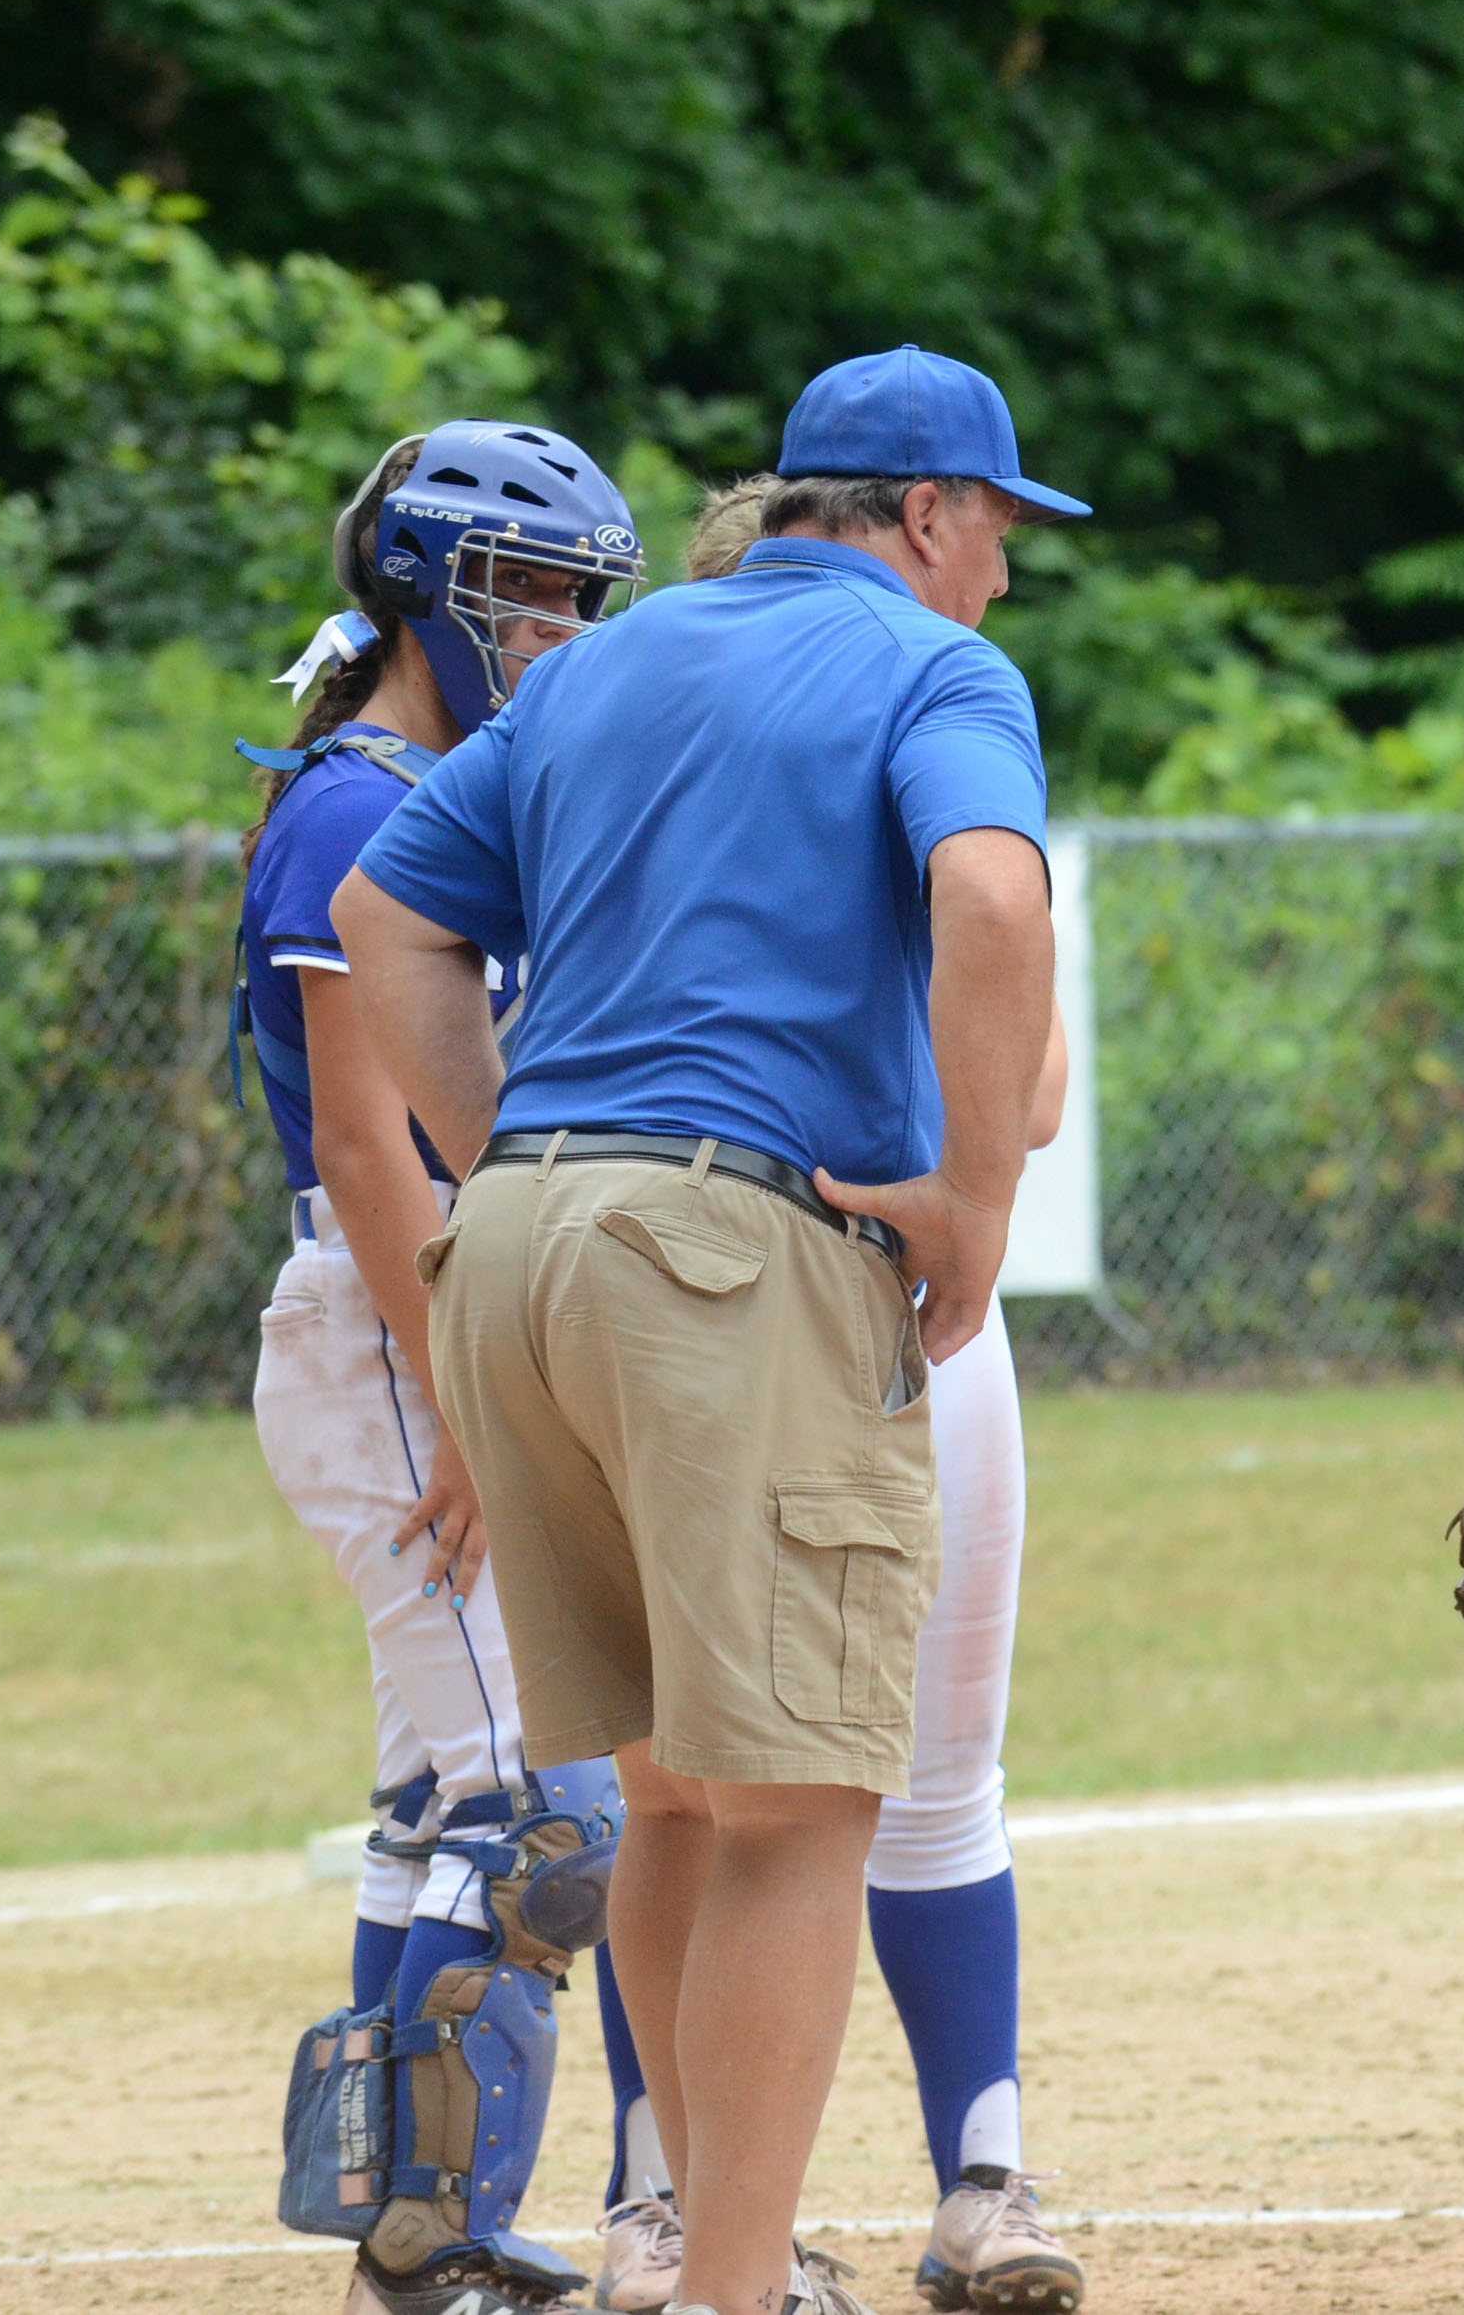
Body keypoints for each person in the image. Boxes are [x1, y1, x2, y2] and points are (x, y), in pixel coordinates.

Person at [331, 344, 1075, 2315]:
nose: (1000, 573)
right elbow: (994, 904)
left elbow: (385, 906)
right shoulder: (936, 667)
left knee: (667, 1788)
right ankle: (736, 2295)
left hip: (522, 1253)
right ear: (921, 514)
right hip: (733, 1256)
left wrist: (527, 1165)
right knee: (811, 1802)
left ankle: (684, 2239)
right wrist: (978, 1207)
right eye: (995, 529)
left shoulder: (605, 664)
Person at [584, 479, 1084, 2315]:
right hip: (712, 1311)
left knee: (931, 1772)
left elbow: (1025, 1094)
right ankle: (681, 2213)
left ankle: (983, 2176)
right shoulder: (634, 804)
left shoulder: (936, 761)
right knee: (700, 1798)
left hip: (907, 1309)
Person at [240, 422, 644, 2315]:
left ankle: (408, 2239)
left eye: (579, 595)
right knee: (546, 1811)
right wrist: (474, 1388)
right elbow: (359, 1140)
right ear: (423, 586)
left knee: (439, 1798)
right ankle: (447, 2235)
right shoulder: (352, 803)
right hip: (397, 1312)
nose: (555, 628)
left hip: (428, 1310)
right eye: (524, 590)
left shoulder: (450, 785)